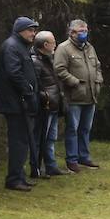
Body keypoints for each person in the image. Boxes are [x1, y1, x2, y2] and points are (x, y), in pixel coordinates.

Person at [0, 16, 40, 191]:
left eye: (34, 30)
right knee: (18, 141)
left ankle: (18, 176)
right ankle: (14, 178)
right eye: (30, 30)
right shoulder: (12, 46)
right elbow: (14, 73)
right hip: (16, 103)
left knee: (23, 140)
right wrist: (28, 91)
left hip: (20, 102)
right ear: (20, 30)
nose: (33, 33)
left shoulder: (19, 46)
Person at [53, 19, 102, 171]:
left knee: (85, 129)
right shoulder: (64, 48)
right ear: (72, 33)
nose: (84, 34)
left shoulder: (89, 48)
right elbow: (59, 69)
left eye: (86, 31)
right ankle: (72, 159)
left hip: (91, 96)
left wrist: (98, 80)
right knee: (73, 129)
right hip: (74, 97)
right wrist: (74, 82)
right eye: (81, 31)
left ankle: (84, 157)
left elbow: (97, 66)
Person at [31, 31, 69, 177]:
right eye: (53, 42)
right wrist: (45, 97)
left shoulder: (49, 59)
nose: (55, 44)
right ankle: (37, 167)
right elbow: (35, 85)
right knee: (41, 138)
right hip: (45, 106)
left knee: (51, 137)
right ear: (45, 45)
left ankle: (51, 166)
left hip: (53, 104)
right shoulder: (36, 62)